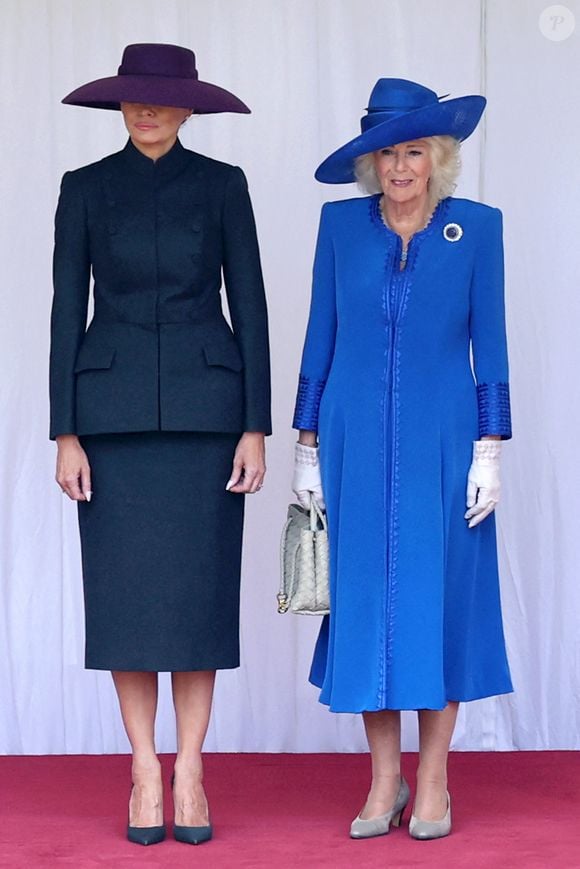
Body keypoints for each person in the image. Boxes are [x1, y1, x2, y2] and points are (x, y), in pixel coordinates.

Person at [50, 43, 271, 846]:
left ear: (187, 110)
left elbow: (250, 303)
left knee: (196, 604)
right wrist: (64, 429)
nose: (145, 112)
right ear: (121, 107)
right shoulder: (84, 189)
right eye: (133, 100)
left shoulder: (222, 186)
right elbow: (63, 310)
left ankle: (191, 766)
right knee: (128, 606)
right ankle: (144, 763)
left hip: (206, 421)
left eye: (160, 101)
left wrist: (255, 421)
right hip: (108, 425)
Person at [292, 78, 512, 841]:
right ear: (371, 162)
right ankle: (384, 778)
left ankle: (436, 779)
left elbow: (494, 345)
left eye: (414, 151)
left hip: (446, 444)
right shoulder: (341, 228)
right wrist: (307, 449)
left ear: (439, 157)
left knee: (437, 600)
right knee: (369, 606)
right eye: (387, 153)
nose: (400, 167)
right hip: (353, 440)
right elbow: (320, 336)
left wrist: (491, 447)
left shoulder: (478, 230)